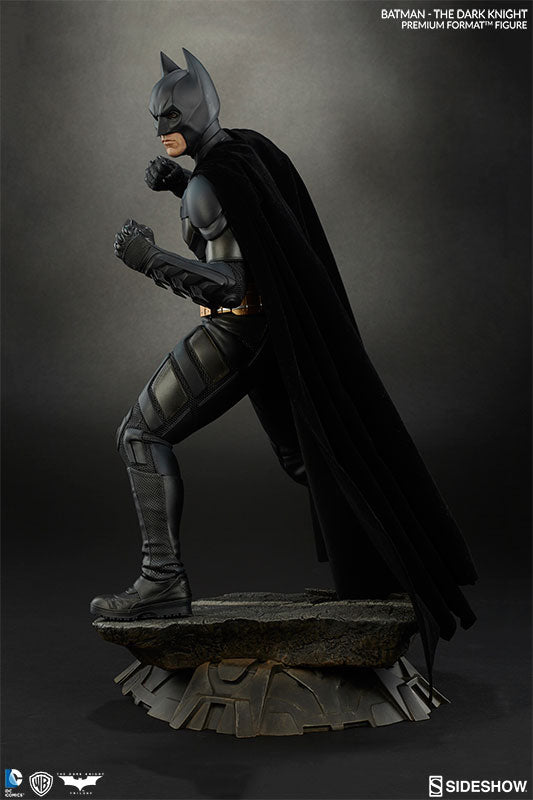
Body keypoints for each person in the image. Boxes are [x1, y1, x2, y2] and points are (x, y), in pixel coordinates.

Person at [90, 49, 477, 683]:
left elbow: (227, 283)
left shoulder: (215, 180)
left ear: (196, 110)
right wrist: (181, 186)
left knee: (139, 434)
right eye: (156, 116)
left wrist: (148, 257)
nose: (160, 126)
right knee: (309, 458)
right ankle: (391, 557)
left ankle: (161, 581)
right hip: (278, 332)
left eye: (171, 116)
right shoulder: (248, 150)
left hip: (237, 331)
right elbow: (255, 223)